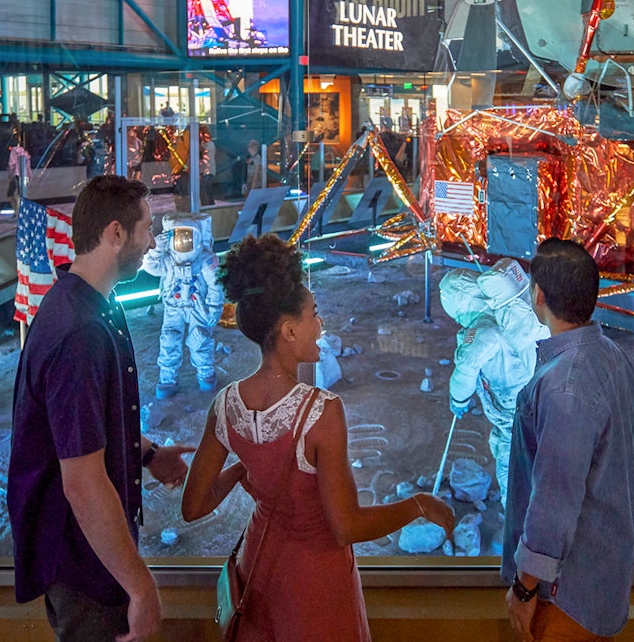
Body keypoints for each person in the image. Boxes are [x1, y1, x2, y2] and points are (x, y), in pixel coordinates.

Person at [182, 234, 455, 641]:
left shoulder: (226, 405)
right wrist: (418, 504)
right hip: (314, 580)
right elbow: (345, 526)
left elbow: (193, 506)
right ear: (290, 330)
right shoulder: (320, 411)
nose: (320, 324)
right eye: (314, 314)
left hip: (256, 568)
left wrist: (244, 468)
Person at [8, 175, 196, 642]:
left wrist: (148, 454)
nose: (152, 242)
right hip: (80, 562)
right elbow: (84, 483)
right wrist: (142, 589)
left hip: (89, 553)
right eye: (146, 229)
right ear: (115, 234)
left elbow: (87, 427)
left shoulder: (88, 305)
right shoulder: (80, 333)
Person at [502, 238, 634, 642]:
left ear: (539, 295)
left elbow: (554, 497)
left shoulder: (566, 386)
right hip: (601, 575)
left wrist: (526, 586)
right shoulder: (610, 356)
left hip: (566, 594)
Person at [441, 258, 548, 506]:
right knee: (507, 446)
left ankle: (520, 520)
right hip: (527, 402)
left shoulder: (483, 330)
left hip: (514, 408)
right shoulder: (503, 316)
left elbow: (466, 370)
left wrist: (458, 398)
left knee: (511, 462)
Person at [141, 211, 224, 399]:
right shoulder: (169, 259)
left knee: (200, 340)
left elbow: (215, 285)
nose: (184, 241)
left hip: (198, 306)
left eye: (188, 235)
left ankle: (206, 374)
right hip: (174, 306)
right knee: (169, 340)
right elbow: (151, 267)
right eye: (179, 236)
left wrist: (214, 308)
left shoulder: (205, 260)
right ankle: (167, 378)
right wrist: (156, 250)